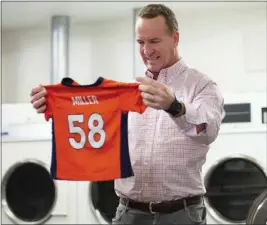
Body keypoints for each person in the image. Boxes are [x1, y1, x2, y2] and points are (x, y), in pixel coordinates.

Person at [30, 3, 225, 225]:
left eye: (154, 41)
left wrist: (175, 106)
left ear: (175, 39)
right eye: (141, 42)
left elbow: (208, 130)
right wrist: (55, 104)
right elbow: (91, 122)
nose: (146, 50)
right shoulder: (129, 91)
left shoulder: (201, 85)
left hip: (181, 214)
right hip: (129, 213)